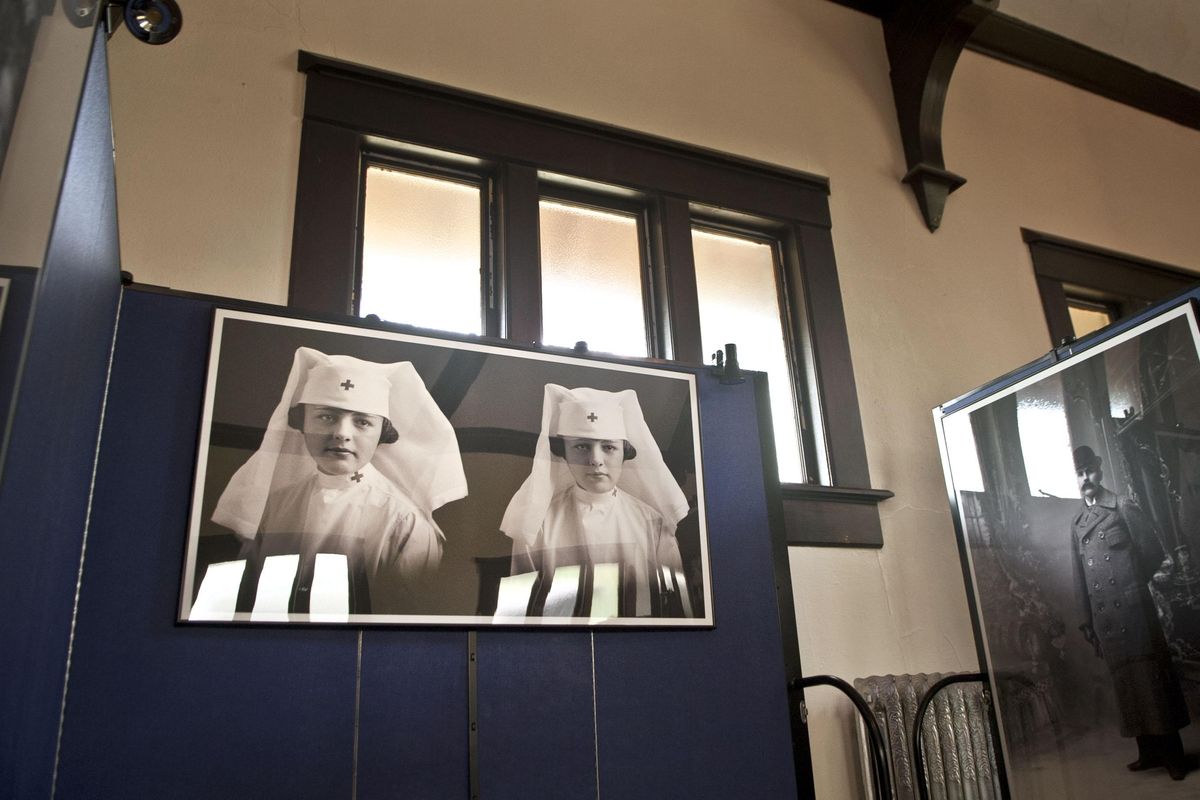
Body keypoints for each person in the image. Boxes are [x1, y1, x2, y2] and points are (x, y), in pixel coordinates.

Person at [208, 347, 467, 617]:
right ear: (303, 423)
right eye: (326, 417)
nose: (342, 434)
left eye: (362, 422)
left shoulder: (404, 521)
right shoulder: (278, 504)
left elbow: (406, 618)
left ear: (382, 433)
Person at [500, 384, 692, 618]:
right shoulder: (536, 524)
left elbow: (676, 610)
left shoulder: (653, 524)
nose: (595, 460)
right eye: (582, 446)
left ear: (625, 452)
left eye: (609, 447)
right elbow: (518, 613)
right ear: (564, 452)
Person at [1070, 445, 1189, 780]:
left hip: (1135, 614)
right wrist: (1086, 618)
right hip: (1107, 620)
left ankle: (1173, 755)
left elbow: (1153, 554)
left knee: (1152, 683)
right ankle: (1148, 752)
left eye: (1089, 470)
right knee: (1127, 687)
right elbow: (1079, 576)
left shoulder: (1123, 506)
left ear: (1099, 469)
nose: (1085, 479)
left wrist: (1133, 590)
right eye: (1078, 474)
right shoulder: (1077, 523)